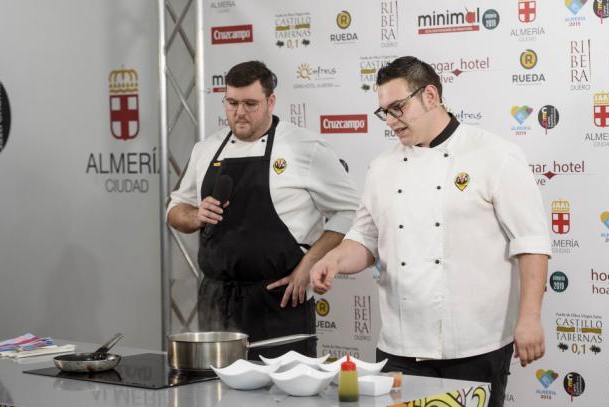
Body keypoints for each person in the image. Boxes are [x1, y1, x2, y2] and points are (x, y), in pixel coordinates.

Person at [310, 56, 550, 407]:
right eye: (384, 112)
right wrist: (334, 260)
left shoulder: (494, 155)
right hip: (399, 346)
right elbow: (364, 239)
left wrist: (529, 318)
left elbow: (531, 244)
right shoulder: (381, 168)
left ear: (431, 96)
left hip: (475, 346)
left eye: (398, 108)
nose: (391, 121)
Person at [167, 61, 359, 359]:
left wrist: (308, 266)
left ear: (271, 101)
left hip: (279, 302)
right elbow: (174, 210)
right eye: (232, 102)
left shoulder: (305, 148)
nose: (239, 112)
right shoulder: (206, 148)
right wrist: (194, 215)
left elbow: (350, 212)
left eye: (250, 103)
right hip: (217, 300)